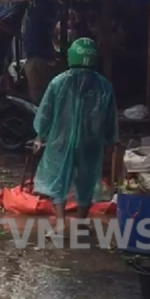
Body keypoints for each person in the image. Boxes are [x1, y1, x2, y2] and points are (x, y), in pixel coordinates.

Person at [32, 38, 117, 227]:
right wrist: (110, 141)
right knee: (86, 181)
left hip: (60, 141)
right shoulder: (104, 86)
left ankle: (61, 224)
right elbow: (110, 118)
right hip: (90, 143)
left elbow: (46, 112)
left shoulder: (58, 82)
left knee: (57, 179)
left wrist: (41, 135)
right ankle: (80, 222)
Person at [23, 0, 57, 104]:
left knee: (39, 95)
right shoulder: (41, 6)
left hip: (39, 58)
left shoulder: (46, 2)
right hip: (36, 57)